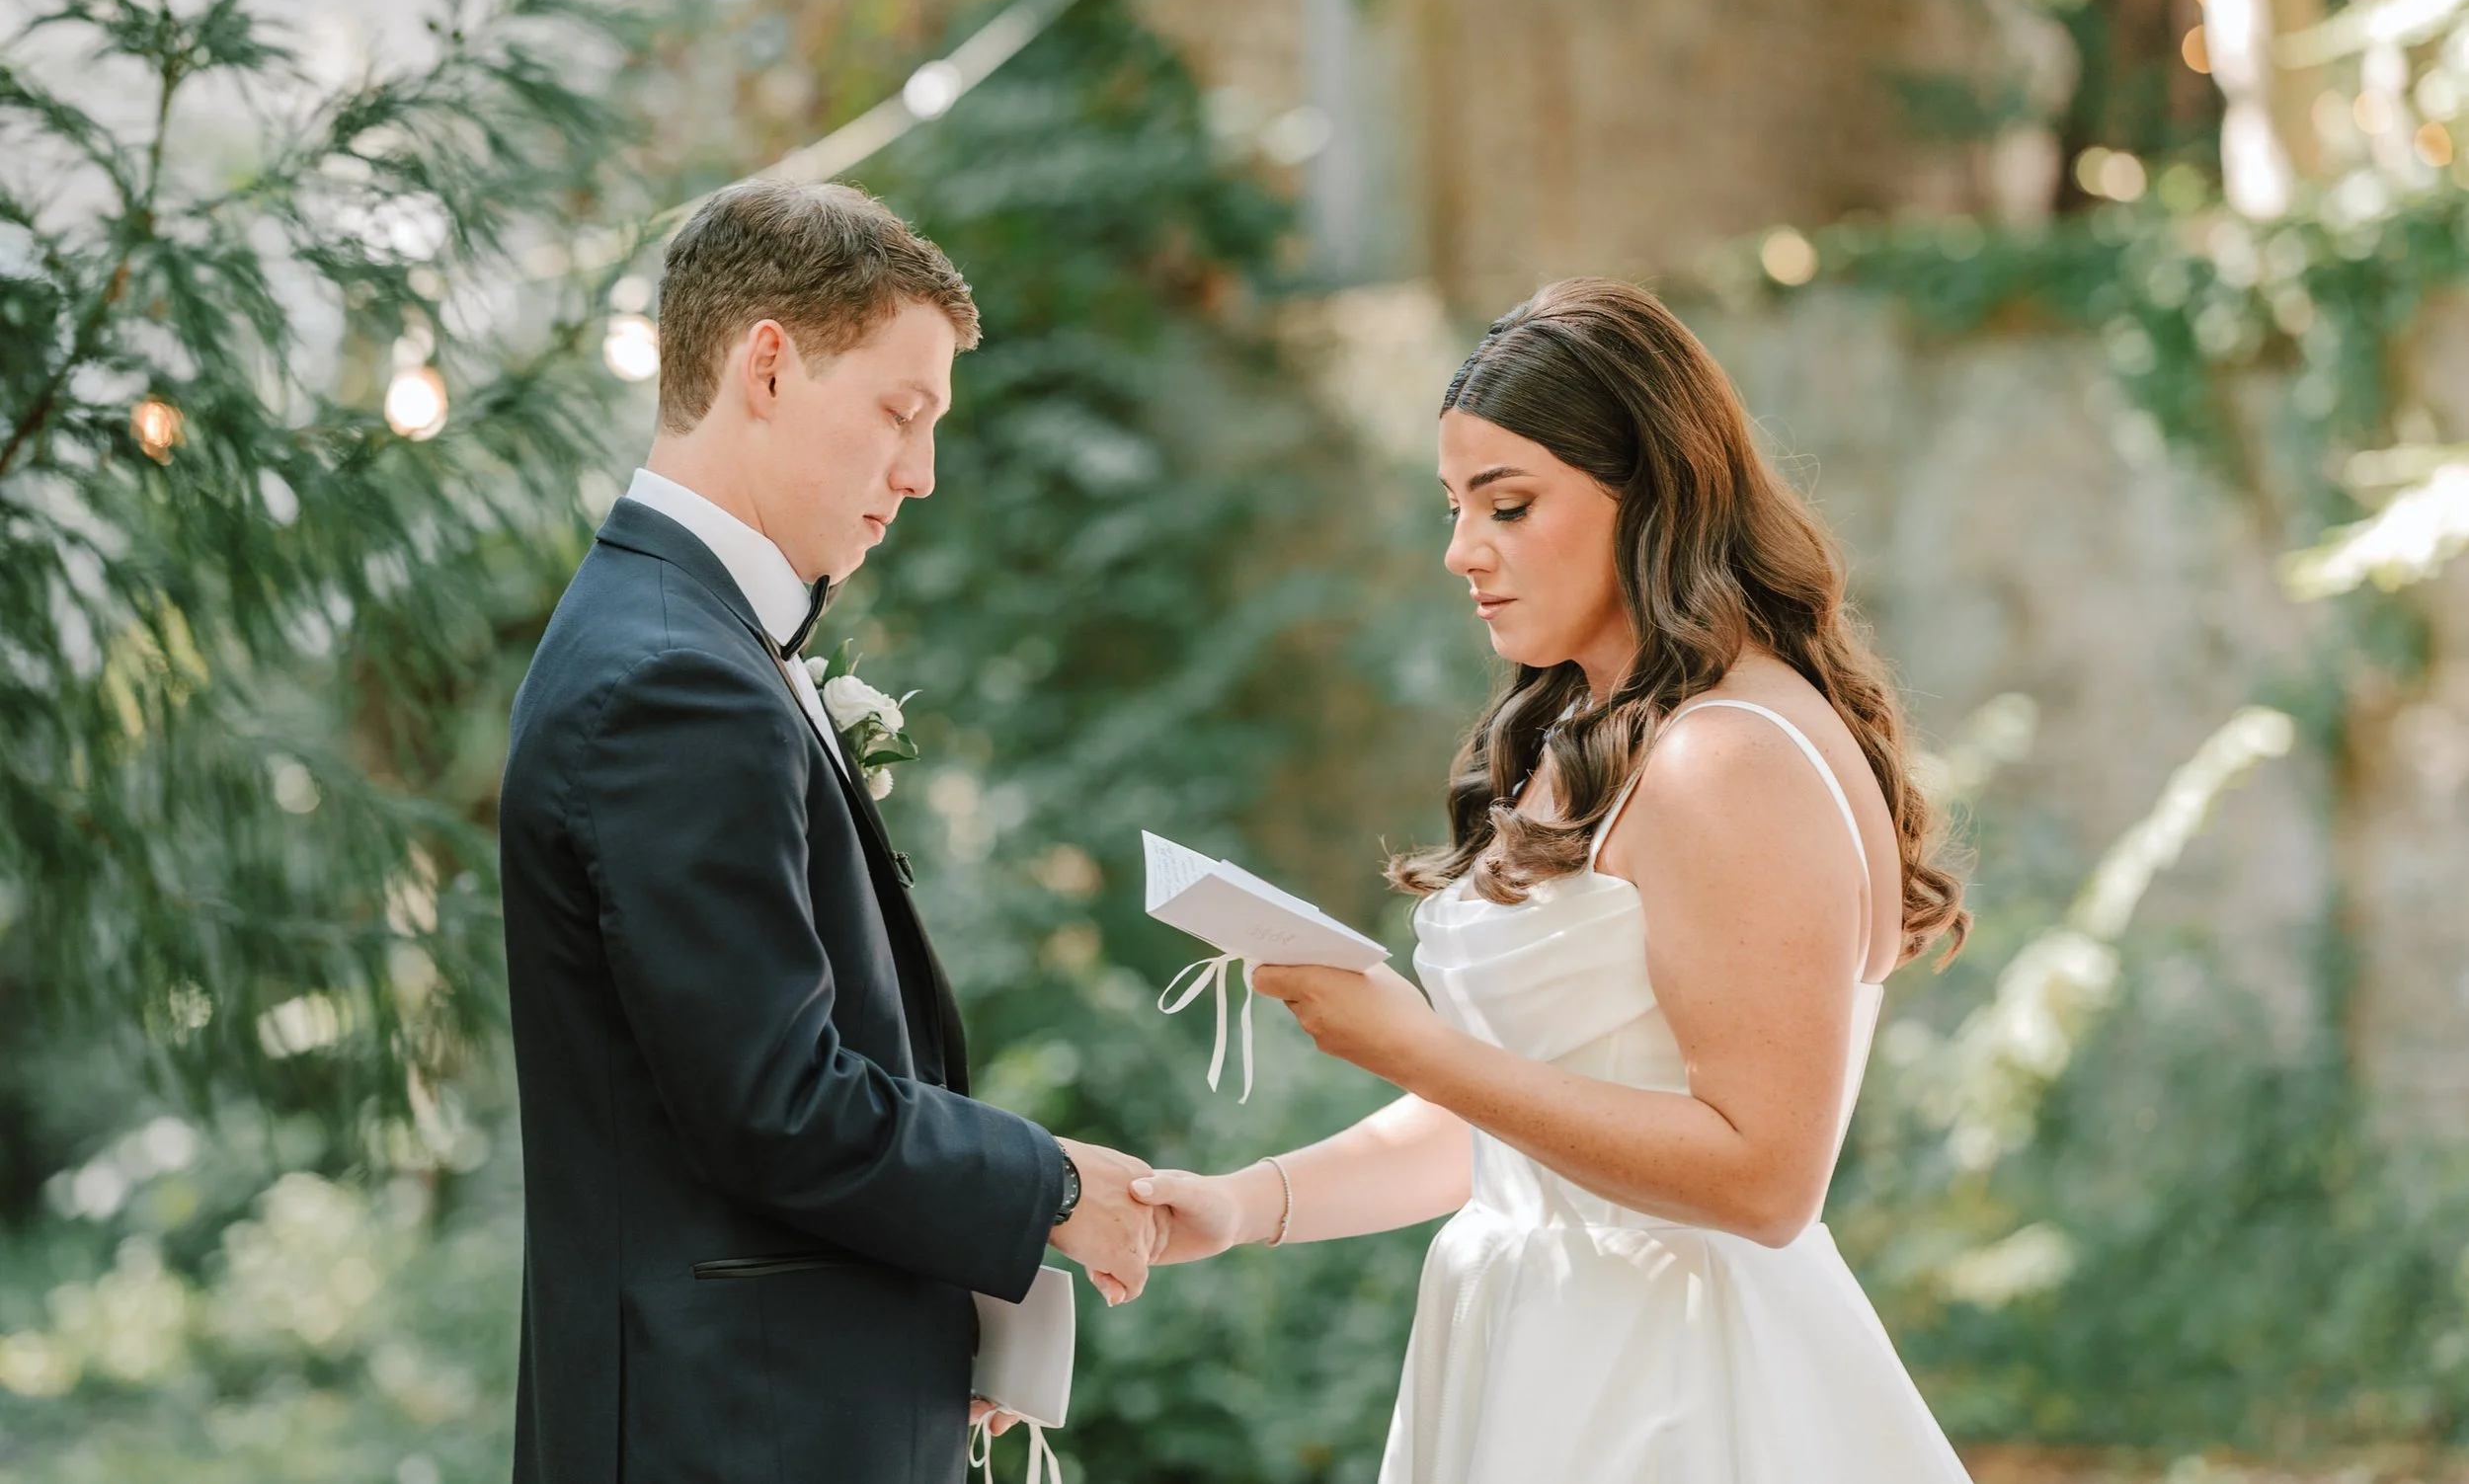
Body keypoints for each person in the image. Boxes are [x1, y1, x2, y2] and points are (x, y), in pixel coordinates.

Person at [1131, 277, 1976, 1483]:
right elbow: (1524, 1123)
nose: (1460, 550)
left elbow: (1763, 1174)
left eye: (1509, 505)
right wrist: (1246, 1202)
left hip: (1670, 1384)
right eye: (1455, 504)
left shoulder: (1723, 755)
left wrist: (1408, 1041)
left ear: (1652, 492)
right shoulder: (1604, 725)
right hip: (1540, 1347)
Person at [498, 180, 1158, 1484]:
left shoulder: (686, 635)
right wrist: (1056, 1185)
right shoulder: (671, 675)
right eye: (901, 414)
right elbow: (778, 1102)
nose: (920, 473)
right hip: (733, 1428)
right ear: (768, 365)